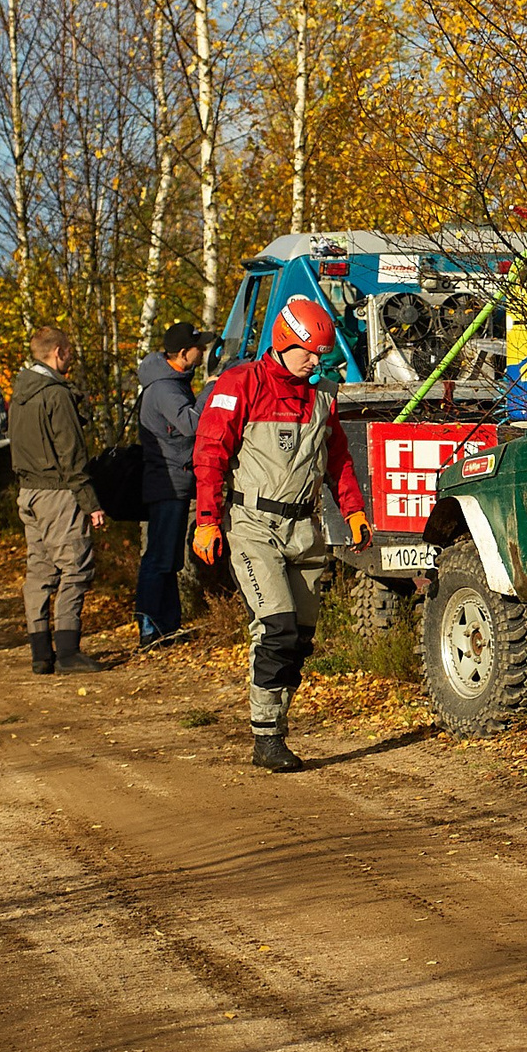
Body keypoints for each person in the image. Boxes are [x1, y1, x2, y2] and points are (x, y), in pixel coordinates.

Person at [192, 298, 371, 772]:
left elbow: (338, 460)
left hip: (304, 528)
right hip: (252, 526)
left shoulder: (323, 395)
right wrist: (208, 520)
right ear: (284, 342)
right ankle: (267, 736)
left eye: (320, 355)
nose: (317, 362)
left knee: (301, 638)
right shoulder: (239, 384)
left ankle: (274, 719)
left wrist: (353, 511)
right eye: (309, 353)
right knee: (276, 628)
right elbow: (210, 454)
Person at [9, 326, 105, 675]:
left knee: (39, 571)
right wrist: (90, 502)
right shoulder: (55, 395)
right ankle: (67, 652)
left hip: (28, 492)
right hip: (57, 492)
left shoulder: (19, 394)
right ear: (59, 352)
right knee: (75, 568)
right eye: (70, 352)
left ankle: (40, 652)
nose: (72, 358)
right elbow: (72, 454)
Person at [134, 321, 206, 651]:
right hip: (168, 481)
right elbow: (190, 423)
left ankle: (167, 626)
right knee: (159, 558)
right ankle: (151, 629)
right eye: (198, 348)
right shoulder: (165, 388)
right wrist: (211, 389)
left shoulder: (170, 382)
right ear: (182, 354)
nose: (202, 352)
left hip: (171, 480)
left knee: (167, 558)